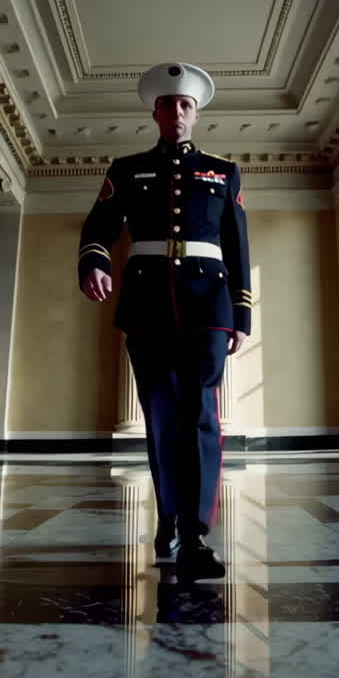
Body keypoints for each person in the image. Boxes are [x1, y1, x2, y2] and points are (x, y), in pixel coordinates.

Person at [78, 62, 251, 583]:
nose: (176, 112)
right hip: (149, 299)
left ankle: (196, 531)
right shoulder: (127, 169)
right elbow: (99, 225)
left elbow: (238, 244)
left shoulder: (223, 170)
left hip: (208, 305)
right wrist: (95, 260)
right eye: (168, 104)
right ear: (154, 111)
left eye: (185, 105)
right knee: (159, 415)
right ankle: (169, 518)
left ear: (194, 115)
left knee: (201, 414)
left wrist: (241, 311)